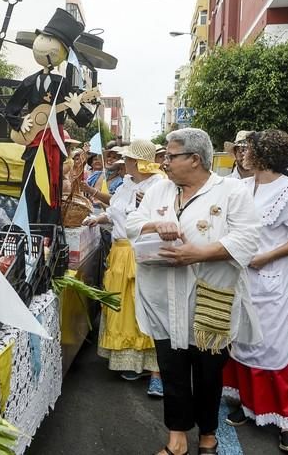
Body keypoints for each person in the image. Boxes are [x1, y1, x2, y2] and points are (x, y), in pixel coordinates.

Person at [125, 128, 261, 455]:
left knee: (207, 374)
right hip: (163, 299)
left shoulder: (230, 191)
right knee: (171, 371)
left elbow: (248, 239)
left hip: (210, 300)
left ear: (194, 159)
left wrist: (198, 254)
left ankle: (208, 435)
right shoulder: (160, 189)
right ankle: (176, 438)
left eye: (170, 156)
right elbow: (130, 222)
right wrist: (153, 226)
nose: (164, 163)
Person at [223, 130, 288, 454]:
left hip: (274, 280)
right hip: (243, 280)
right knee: (243, 341)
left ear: (263, 154)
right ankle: (245, 402)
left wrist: (266, 256)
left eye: (247, 148)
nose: (242, 153)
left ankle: (286, 422)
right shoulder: (240, 186)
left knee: (274, 346)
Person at [86, 140, 165, 395]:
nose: (125, 163)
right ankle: (132, 362)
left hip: (143, 253)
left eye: (129, 160)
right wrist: (99, 215)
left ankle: (157, 372)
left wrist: (148, 209)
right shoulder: (128, 184)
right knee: (124, 310)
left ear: (140, 162)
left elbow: (165, 220)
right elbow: (116, 211)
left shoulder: (160, 185)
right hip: (120, 253)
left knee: (147, 309)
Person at [4, 8, 92, 224]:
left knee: (52, 188)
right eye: (43, 37)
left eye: (50, 40)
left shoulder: (62, 84)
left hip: (53, 143)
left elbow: (83, 119)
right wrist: (20, 121)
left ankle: (48, 232)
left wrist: (75, 107)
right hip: (33, 142)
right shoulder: (28, 81)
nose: (43, 42)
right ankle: (26, 228)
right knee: (29, 185)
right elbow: (10, 109)